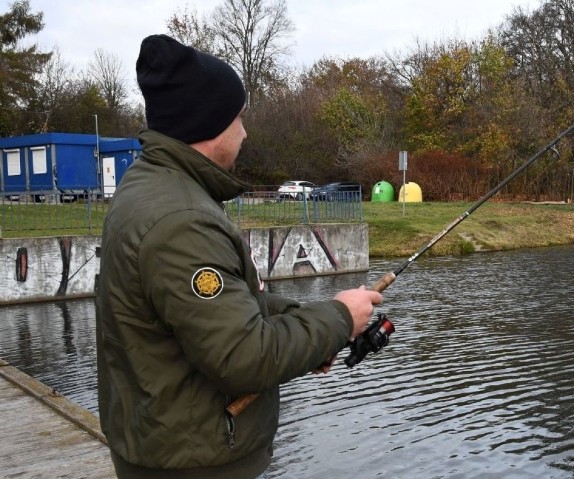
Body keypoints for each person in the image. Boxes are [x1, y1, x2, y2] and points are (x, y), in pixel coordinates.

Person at [95, 34, 382, 479]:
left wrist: (319, 323)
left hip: (167, 446)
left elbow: (232, 306)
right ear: (208, 122)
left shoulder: (151, 187)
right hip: (193, 461)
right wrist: (341, 319)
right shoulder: (181, 222)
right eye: (239, 119)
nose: (245, 132)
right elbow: (244, 357)